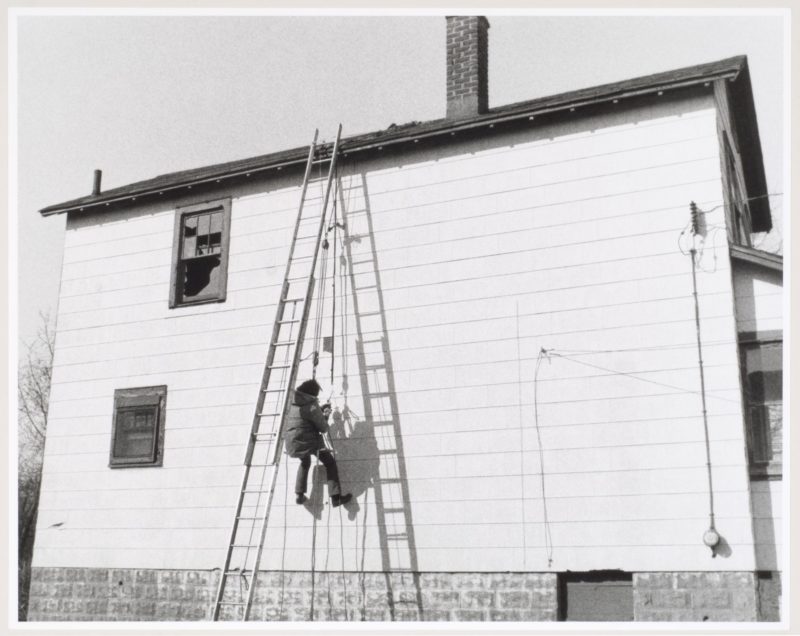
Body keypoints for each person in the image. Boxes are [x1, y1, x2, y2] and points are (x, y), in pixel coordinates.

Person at [285, 378, 352, 507]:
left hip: (293, 442)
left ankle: (299, 494)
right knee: (330, 462)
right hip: (308, 442)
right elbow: (323, 428)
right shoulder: (311, 405)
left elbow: (305, 416)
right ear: (312, 393)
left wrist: (319, 411)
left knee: (305, 462)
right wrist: (325, 415)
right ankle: (336, 497)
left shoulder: (293, 402)